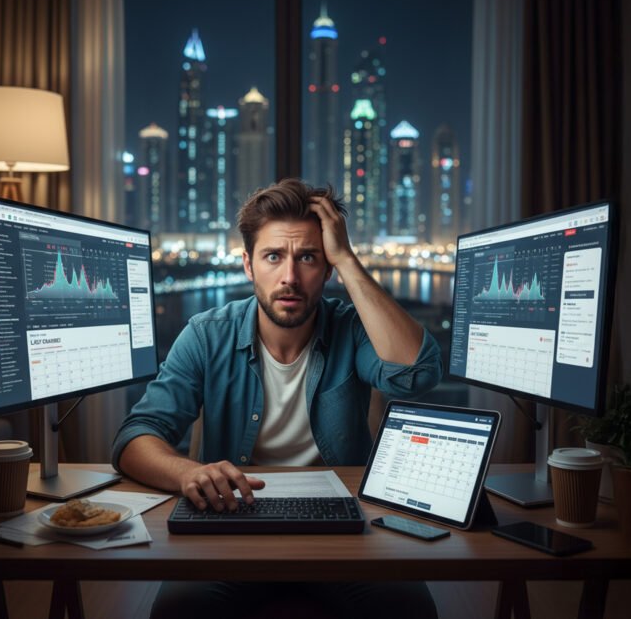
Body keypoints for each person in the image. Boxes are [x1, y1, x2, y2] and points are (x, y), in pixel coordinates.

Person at [112, 178, 443, 619]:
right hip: (231, 525)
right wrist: (189, 474)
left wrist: (345, 256)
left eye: (308, 257)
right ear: (249, 265)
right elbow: (136, 436)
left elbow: (416, 375)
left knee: (409, 610)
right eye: (273, 257)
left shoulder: (352, 328)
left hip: (341, 530)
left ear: (327, 269)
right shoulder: (206, 334)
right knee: (178, 610)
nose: (289, 277)